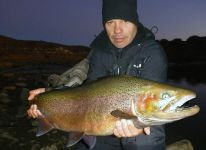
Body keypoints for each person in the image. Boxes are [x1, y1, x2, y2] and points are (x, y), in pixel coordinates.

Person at [27, 0, 168, 149]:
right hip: (101, 128)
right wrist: (51, 94)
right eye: (110, 22)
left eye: (125, 21)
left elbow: (154, 105)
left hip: (142, 124)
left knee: (145, 140)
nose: (117, 30)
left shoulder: (152, 52)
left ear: (135, 21)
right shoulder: (99, 51)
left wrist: (138, 126)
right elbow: (86, 93)